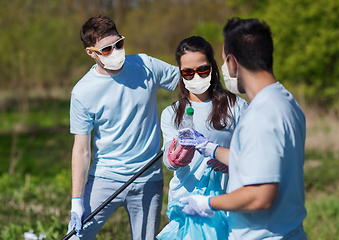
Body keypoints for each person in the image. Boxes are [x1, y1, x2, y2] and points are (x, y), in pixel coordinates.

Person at [180, 18, 308, 239]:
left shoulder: (260, 116)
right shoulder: (285, 101)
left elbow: (260, 196)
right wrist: (209, 148)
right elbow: (266, 159)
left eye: (222, 60)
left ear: (232, 62)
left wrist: (208, 203)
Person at [67, 15, 180, 240]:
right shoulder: (82, 93)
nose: (116, 51)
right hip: (104, 178)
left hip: (148, 178)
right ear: (91, 52)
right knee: (75, 237)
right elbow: (81, 149)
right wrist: (77, 201)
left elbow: (189, 83)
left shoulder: (146, 65)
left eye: (119, 44)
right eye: (106, 49)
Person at [156, 36, 248, 240]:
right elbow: (168, 161)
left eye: (202, 70)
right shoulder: (171, 113)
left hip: (227, 204)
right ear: (180, 74)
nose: (195, 76)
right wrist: (173, 159)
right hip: (186, 205)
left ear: (213, 69)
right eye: (188, 72)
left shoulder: (237, 107)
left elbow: (254, 155)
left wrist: (232, 163)